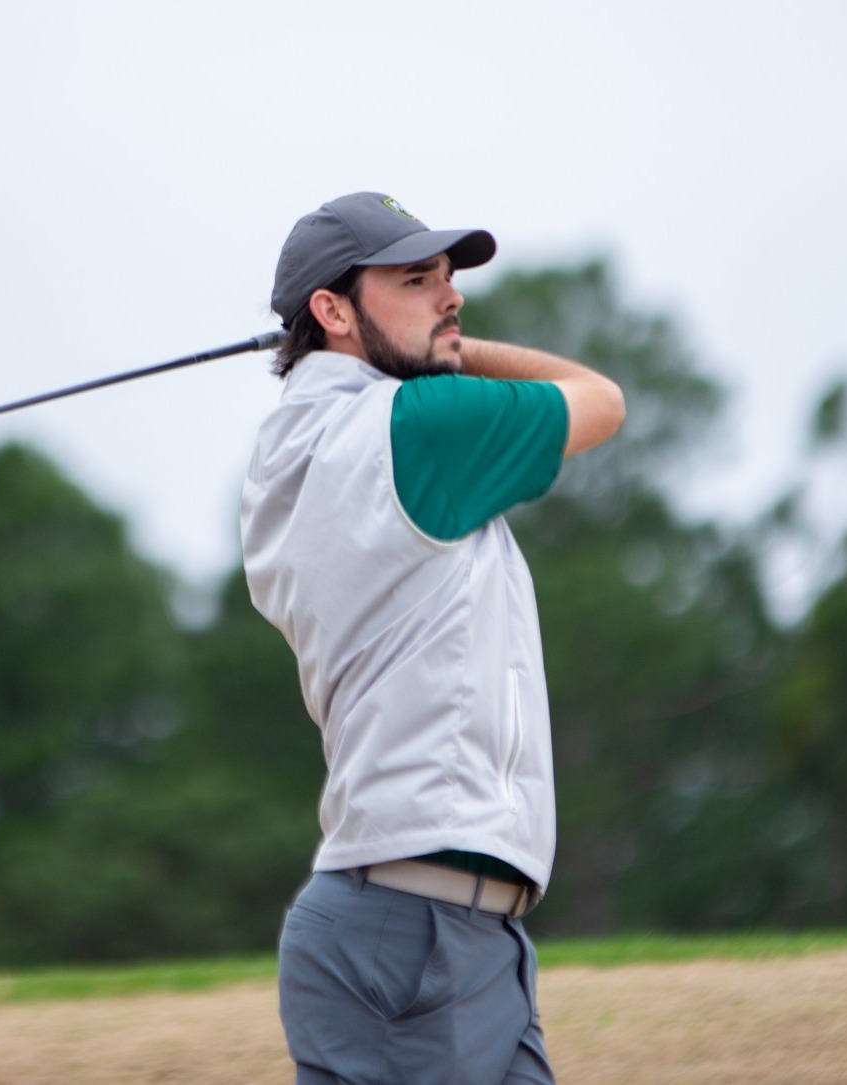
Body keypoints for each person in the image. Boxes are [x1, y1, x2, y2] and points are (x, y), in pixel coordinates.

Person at [240, 192, 625, 1084]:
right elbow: (599, 400)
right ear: (332, 311)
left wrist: (407, 342)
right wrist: (453, 359)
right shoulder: (417, 428)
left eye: (450, 280)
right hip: (417, 934)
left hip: (429, 927)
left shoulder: (289, 446)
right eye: (416, 281)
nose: (450, 299)